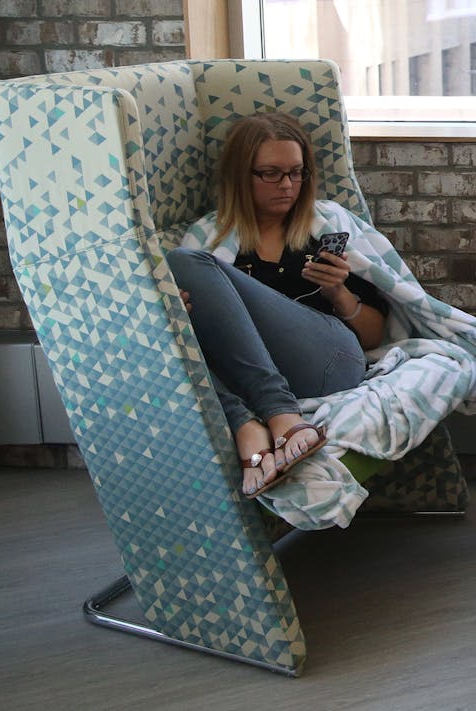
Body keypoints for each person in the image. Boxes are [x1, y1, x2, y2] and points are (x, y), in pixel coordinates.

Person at [167, 112, 391, 498]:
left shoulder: (327, 225)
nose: (287, 185)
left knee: (186, 265)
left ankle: (279, 416)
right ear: (241, 176)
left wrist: (339, 292)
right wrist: (184, 316)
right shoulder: (209, 236)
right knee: (182, 280)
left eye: (296, 172)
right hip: (251, 374)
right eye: (270, 173)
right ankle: (246, 425)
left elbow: (374, 337)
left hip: (329, 361)